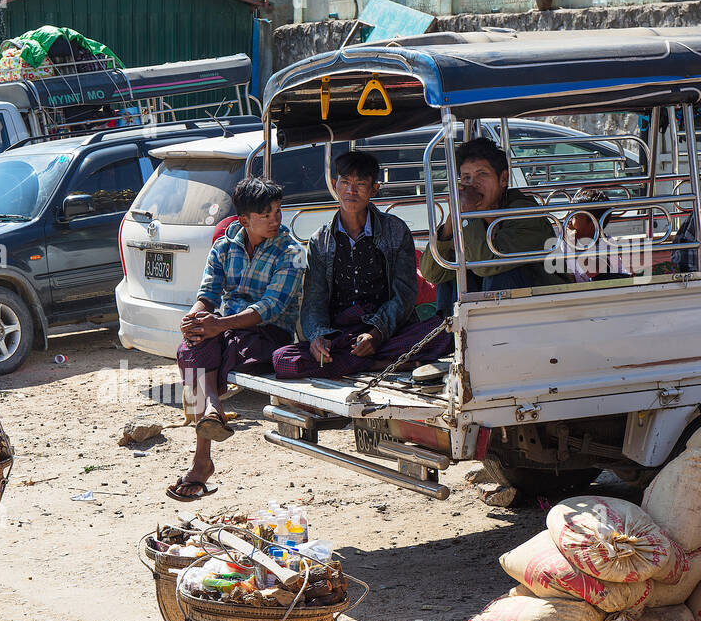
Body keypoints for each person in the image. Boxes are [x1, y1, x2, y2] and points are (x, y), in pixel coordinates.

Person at [168, 177, 303, 501]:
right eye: (266, 215)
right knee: (191, 343)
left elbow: (272, 306)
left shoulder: (292, 252)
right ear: (244, 220)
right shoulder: (224, 247)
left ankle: (202, 461)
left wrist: (217, 325)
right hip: (226, 330)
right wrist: (195, 317)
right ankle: (213, 414)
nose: (275, 220)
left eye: (277, 212)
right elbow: (208, 294)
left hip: (267, 334)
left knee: (211, 350)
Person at [273, 150, 449, 380]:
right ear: (335, 185)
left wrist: (376, 334)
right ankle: (380, 364)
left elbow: (404, 295)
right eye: (345, 182)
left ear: (374, 189)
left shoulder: (395, 230)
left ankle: (362, 361)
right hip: (341, 335)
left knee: (443, 332)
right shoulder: (320, 240)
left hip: (388, 332)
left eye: (360, 184)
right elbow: (314, 300)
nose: (351, 191)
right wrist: (318, 337)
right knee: (281, 360)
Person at [420, 137, 563, 315]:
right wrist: (452, 221)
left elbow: (486, 265)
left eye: (482, 174)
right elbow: (432, 274)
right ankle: (451, 336)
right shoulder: (470, 212)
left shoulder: (525, 213)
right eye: (466, 177)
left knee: (497, 271)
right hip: (492, 315)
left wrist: (468, 217)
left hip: (545, 305)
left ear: (503, 179)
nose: (473, 184)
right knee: (453, 269)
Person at [562, 188, 627, 282]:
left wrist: (573, 244)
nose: (568, 221)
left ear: (593, 222)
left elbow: (591, 270)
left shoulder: (607, 244)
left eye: (574, 217)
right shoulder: (566, 242)